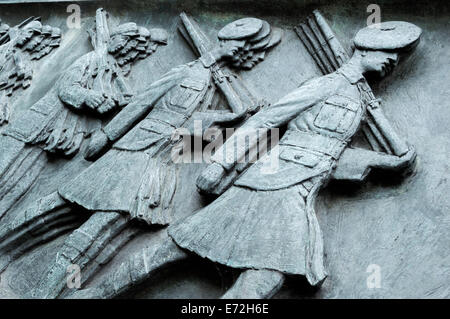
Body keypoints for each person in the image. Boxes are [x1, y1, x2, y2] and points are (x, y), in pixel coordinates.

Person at [73, 21, 421, 299]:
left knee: (252, 272)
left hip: (298, 190)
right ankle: (97, 293)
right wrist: (221, 163)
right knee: (186, 248)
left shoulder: (360, 98)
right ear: (365, 48)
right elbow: (266, 122)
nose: (393, 59)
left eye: (398, 55)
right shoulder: (327, 85)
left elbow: (327, 149)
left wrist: (384, 162)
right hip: (269, 186)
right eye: (388, 51)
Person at [27, 17, 281, 298]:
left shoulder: (217, 85)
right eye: (239, 43)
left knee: (108, 229)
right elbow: (142, 103)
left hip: (163, 163)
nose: (241, 51)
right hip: (135, 153)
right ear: (224, 41)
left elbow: (193, 134)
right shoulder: (186, 72)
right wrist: (108, 136)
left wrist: (235, 119)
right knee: (63, 209)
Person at [0, 8, 167, 271]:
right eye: (126, 44)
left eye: (134, 49)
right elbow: (67, 88)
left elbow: (111, 99)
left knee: (16, 188)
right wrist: (90, 99)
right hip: (35, 128)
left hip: (55, 140)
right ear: (115, 41)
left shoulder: (111, 70)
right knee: (3, 177)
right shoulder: (91, 59)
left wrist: (115, 103)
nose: (130, 52)